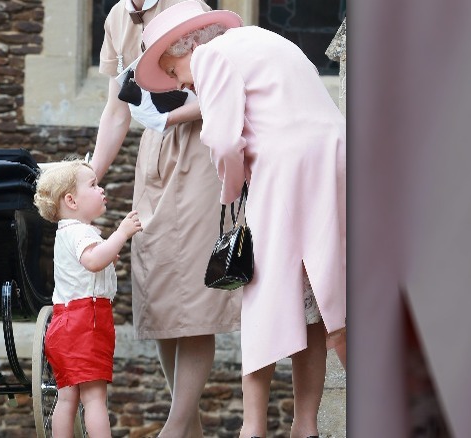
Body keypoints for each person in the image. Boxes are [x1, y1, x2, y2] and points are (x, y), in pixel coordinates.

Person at [133, 2, 346, 437]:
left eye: (173, 72)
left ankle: (253, 428)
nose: (179, 82)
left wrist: (232, 193)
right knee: (314, 304)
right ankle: (305, 427)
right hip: (334, 163)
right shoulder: (263, 39)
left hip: (285, 171)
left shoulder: (211, 56)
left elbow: (224, 140)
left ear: (184, 48)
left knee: (264, 297)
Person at [90, 1, 242, 437]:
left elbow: (223, 86)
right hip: (153, 159)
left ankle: (173, 429)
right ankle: (188, 430)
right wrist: (87, 176)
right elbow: (117, 108)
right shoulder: (118, 16)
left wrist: (167, 115)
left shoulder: (190, 7)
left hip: (198, 150)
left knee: (192, 296)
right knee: (160, 295)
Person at [33, 159, 143, 437]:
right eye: (93, 185)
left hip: (63, 322)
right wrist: (121, 234)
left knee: (67, 397)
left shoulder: (66, 233)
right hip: (86, 323)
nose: (102, 189)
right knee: (94, 399)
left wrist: (108, 254)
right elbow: (93, 261)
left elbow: (89, 267)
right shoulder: (81, 232)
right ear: (70, 200)